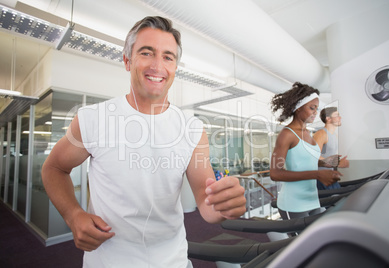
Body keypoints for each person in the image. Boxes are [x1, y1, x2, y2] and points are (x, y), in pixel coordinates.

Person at [42, 16, 246, 268]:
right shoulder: (94, 119)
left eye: (168, 57)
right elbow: (53, 168)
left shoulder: (192, 129)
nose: (158, 66)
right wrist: (73, 215)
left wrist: (224, 206)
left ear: (175, 67)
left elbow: (206, 203)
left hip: (172, 261)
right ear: (128, 61)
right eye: (147, 53)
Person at [269, 82, 342, 220]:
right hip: (293, 203)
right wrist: (317, 174)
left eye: (316, 108)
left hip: (312, 200)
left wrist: (325, 163)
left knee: (318, 239)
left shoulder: (307, 132)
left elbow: (304, 162)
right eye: (312, 108)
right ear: (298, 108)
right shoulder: (287, 134)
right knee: (304, 241)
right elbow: (275, 173)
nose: (316, 112)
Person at [313, 107, 350, 190]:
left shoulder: (334, 135)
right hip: (320, 178)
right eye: (337, 115)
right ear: (328, 119)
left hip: (329, 175)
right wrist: (337, 163)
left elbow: (327, 156)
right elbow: (313, 157)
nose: (340, 117)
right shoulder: (321, 134)